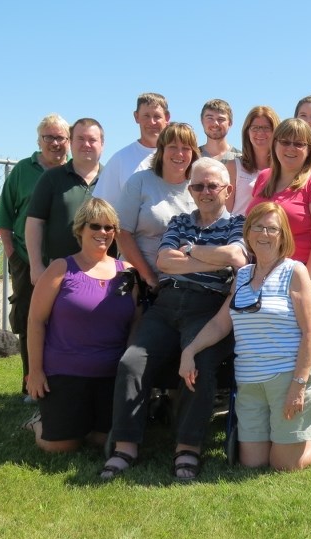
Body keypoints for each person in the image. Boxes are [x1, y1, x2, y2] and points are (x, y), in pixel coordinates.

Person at [101, 157, 247, 482]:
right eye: (198, 185)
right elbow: (165, 262)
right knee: (131, 362)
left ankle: (187, 448)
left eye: (212, 185)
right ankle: (126, 447)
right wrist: (214, 259)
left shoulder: (239, 223)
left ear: (228, 189)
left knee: (199, 364)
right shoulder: (179, 220)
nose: (205, 191)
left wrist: (190, 252)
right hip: (166, 305)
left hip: (209, 308)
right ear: (191, 190)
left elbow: (237, 257)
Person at [180, 202, 311, 471]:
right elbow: (220, 324)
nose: (264, 234)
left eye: (272, 228)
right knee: (253, 463)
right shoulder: (243, 275)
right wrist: (189, 351)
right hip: (249, 381)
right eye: (258, 227)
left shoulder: (294, 271)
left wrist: (298, 384)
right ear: (248, 233)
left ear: (283, 235)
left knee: (284, 465)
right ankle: (295, 434)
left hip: (287, 377)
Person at [23, 198, 138, 452]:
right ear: (80, 229)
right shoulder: (60, 268)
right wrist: (36, 372)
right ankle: (38, 423)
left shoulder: (128, 272)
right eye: (95, 226)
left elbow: (135, 325)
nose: (103, 233)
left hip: (111, 375)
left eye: (110, 228)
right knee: (61, 446)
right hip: (65, 372)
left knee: (101, 441)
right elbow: (35, 321)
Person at [0, 113, 70, 402]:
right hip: (28, 262)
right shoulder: (23, 171)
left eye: (60, 137)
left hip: (66, 262)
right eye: (48, 137)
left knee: (65, 321)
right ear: (38, 141)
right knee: (29, 321)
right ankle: (31, 383)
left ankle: (61, 380)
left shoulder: (75, 172)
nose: (55, 143)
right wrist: (15, 258)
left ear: (69, 142)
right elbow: (4, 217)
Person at [247, 118, 311, 321]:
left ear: (308, 150)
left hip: (305, 269)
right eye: (285, 141)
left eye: (299, 143)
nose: (291, 148)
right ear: (275, 143)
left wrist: (305, 279)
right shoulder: (264, 178)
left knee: (301, 339)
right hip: (264, 271)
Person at [115, 122, 200, 291]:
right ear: (161, 150)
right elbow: (122, 233)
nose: (179, 153)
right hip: (141, 282)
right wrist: (149, 277)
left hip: (186, 286)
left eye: (186, 148)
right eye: (172, 147)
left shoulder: (199, 187)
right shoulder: (139, 181)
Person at [26, 118, 105, 286]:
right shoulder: (51, 178)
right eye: (80, 139)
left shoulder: (113, 178)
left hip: (103, 274)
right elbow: (34, 223)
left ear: (102, 144)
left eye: (92, 140)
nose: (86, 144)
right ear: (70, 142)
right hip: (59, 273)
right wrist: (36, 266)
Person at [93, 93, 170, 209]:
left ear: (167, 118)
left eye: (157, 116)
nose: (152, 122)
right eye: (146, 116)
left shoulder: (178, 158)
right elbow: (101, 207)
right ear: (136, 117)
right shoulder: (120, 159)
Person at [224, 106, 279, 216]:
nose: (260, 132)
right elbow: (225, 212)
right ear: (247, 132)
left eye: (266, 128)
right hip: (238, 231)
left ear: (276, 132)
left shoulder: (283, 169)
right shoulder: (233, 166)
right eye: (255, 128)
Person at [198, 99, 241, 164]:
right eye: (210, 118)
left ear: (230, 123)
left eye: (221, 119)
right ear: (202, 121)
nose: (215, 123)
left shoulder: (241, 159)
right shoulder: (192, 157)